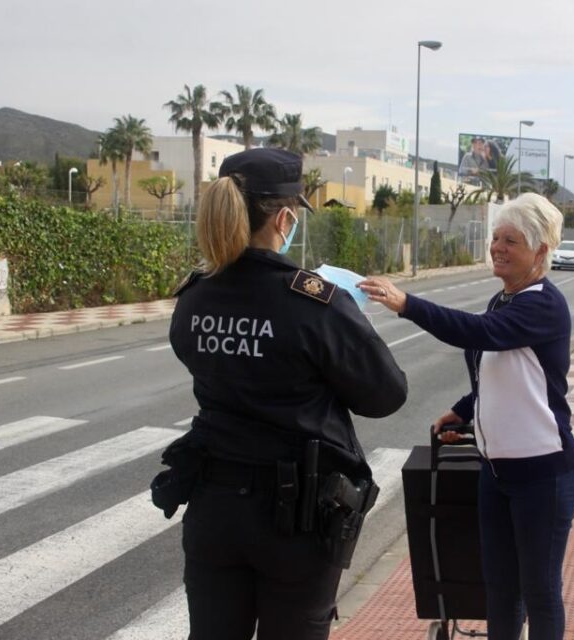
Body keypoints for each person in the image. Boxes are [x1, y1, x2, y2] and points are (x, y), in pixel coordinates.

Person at [167, 148, 408, 640]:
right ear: (283, 217)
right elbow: (386, 394)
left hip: (214, 507)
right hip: (294, 520)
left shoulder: (195, 295)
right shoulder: (313, 301)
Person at [359, 193, 574, 640]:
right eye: (496, 238)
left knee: (538, 590)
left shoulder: (543, 304)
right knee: (499, 588)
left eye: (511, 241)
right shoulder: (504, 299)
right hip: (496, 472)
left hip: (543, 475)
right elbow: (496, 368)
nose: (498, 247)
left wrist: (408, 304)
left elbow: (481, 334)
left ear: (540, 252)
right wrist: (461, 410)